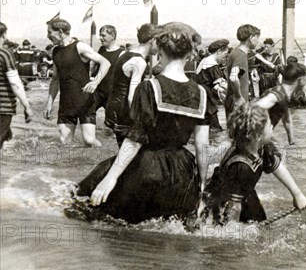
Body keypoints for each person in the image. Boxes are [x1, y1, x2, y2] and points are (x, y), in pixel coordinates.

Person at [73, 23, 216, 224]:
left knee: (87, 207)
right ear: (189, 55)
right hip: (182, 170)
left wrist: (111, 177)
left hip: (148, 168)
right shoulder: (202, 93)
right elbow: (203, 146)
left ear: (161, 52)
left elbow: (135, 139)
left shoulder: (150, 87)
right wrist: (201, 186)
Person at [203, 103, 306, 225]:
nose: (272, 126)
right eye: (269, 125)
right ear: (258, 135)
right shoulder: (241, 166)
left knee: (259, 225)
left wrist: (297, 195)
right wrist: (235, 232)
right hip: (223, 201)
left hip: (246, 194)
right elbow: (232, 208)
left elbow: (278, 167)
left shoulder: (261, 147)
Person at [45, 18, 110, 146]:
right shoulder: (55, 51)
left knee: (89, 141)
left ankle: (103, 160)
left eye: (49, 32)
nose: (48, 36)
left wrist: (95, 82)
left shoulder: (80, 47)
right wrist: (49, 103)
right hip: (66, 103)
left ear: (60, 31)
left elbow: (105, 63)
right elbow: (55, 80)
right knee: (65, 142)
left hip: (84, 101)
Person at [105, 23, 157, 146]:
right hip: (124, 113)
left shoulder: (125, 54)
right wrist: (139, 122)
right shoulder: (139, 62)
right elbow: (132, 97)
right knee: (134, 154)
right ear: (153, 40)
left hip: (113, 109)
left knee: (124, 151)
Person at [253, 63, 306, 145]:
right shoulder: (277, 94)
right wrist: (267, 130)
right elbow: (254, 109)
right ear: (300, 80)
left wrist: (292, 142)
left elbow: (287, 120)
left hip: (259, 139)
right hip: (254, 140)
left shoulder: (285, 95)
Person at [0, 23, 34, 148]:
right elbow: (15, 82)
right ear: (4, 34)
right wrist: (27, 106)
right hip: (3, 108)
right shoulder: (5, 54)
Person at [225, 24, 260, 119]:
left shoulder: (235, 52)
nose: (258, 41)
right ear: (251, 37)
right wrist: (239, 97)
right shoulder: (240, 55)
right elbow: (233, 77)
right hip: (237, 103)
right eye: (257, 38)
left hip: (232, 101)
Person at [195, 39, 229, 131]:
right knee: (213, 127)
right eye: (225, 54)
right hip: (206, 96)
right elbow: (221, 84)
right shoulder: (212, 64)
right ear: (219, 52)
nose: (224, 58)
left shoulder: (205, 61)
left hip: (200, 94)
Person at [92, 25, 124, 112]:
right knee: (87, 112)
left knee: (113, 121)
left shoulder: (122, 54)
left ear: (113, 36)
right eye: (100, 35)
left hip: (111, 94)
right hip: (98, 91)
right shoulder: (101, 50)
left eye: (103, 35)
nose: (100, 38)